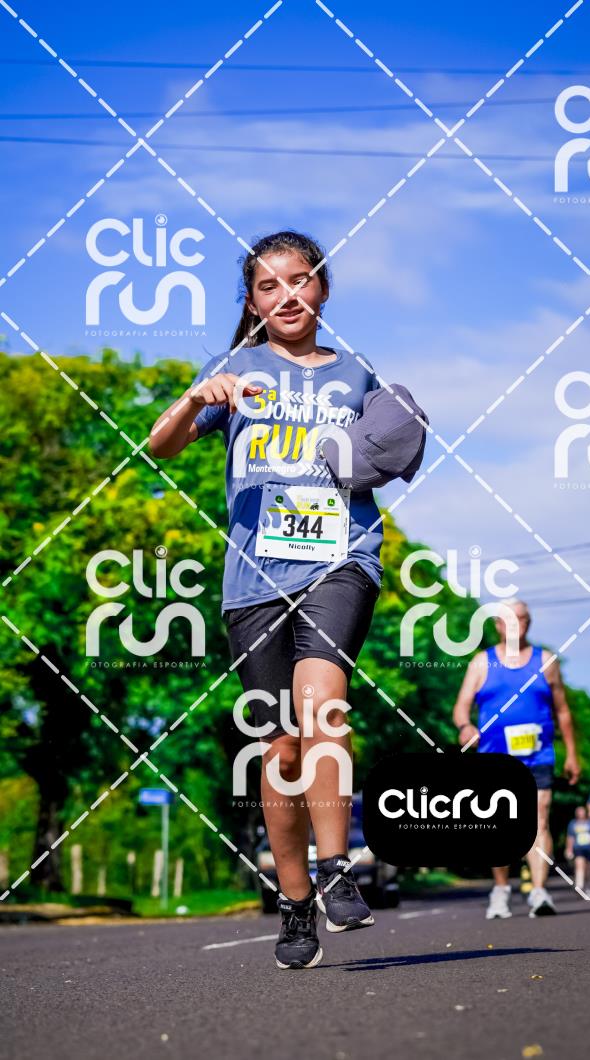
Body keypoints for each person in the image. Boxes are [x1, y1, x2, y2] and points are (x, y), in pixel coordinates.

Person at [149, 231, 397, 969]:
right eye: (268, 285)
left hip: (342, 559)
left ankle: (336, 867)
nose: (286, 294)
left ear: (322, 288)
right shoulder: (235, 369)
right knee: (280, 745)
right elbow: (161, 445)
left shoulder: (358, 373)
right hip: (254, 578)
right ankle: (295, 902)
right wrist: (197, 397)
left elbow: (396, 444)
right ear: (253, 302)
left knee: (323, 707)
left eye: (299, 280)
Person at [452, 599, 580, 919]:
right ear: (497, 625)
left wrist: (572, 754)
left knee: (539, 818)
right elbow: (461, 707)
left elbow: (563, 711)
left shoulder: (546, 661)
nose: (515, 625)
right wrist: (465, 727)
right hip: (495, 756)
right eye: (508, 619)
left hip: (538, 755)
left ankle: (538, 891)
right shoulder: (482, 662)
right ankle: (501, 889)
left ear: (528, 623)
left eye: (521, 619)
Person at [565, 805, 590, 898]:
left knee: (588, 868)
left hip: (589, 848)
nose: (580, 813)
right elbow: (570, 837)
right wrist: (569, 849)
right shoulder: (573, 824)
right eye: (578, 811)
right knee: (579, 865)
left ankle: (588, 887)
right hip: (578, 849)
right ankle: (579, 886)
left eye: (582, 811)